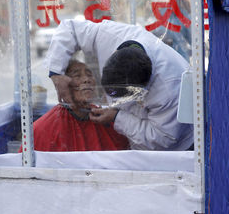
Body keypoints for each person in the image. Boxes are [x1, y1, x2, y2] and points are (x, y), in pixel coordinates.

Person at [47, 19, 193, 151]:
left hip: (178, 148)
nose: (86, 81)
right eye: (77, 75)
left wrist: (117, 117)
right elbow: (70, 29)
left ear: (142, 89)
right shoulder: (109, 36)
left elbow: (161, 139)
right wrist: (56, 72)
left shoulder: (169, 89)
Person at [29, 59, 129, 152]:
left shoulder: (106, 118)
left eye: (90, 75)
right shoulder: (44, 129)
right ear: (63, 85)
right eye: (77, 76)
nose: (86, 80)